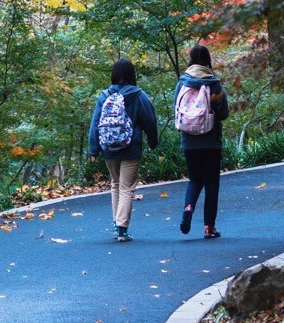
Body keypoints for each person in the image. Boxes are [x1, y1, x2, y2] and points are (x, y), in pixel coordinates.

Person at [85, 58, 157, 242]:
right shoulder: (138, 96)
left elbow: (95, 123)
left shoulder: (104, 96)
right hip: (131, 147)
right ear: (132, 75)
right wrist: (152, 141)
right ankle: (122, 228)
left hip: (108, 148)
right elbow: (150, 120)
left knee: (115, 184)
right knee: (127, 187)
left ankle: (117, 222)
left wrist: (93, 150)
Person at [171, 45, 229, 238]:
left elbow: (176, 111)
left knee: (195, 179)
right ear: (207, 59)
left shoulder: (182, 83)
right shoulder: (214, 83)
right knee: (212, 183)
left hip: (189, 140)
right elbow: (223, 113)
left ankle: (188, 208)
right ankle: (209, 227)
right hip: (211, 141)